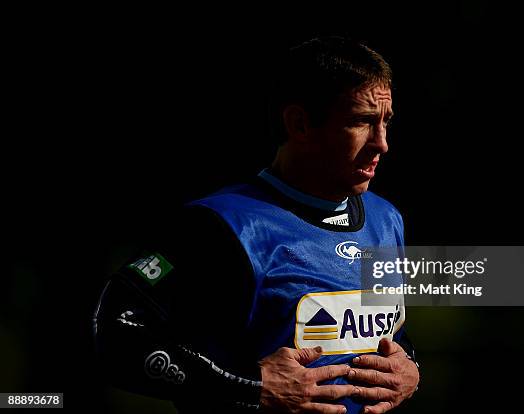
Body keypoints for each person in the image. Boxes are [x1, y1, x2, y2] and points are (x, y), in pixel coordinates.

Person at [93, 36, 420, 414]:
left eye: (386, 122)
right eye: (360, 121)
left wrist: (411, 367)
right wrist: (252, 386)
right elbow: (115, 331)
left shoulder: (386, 218)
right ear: (299, 123)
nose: (382, 144)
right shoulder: (223, 224)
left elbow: (387, 329)